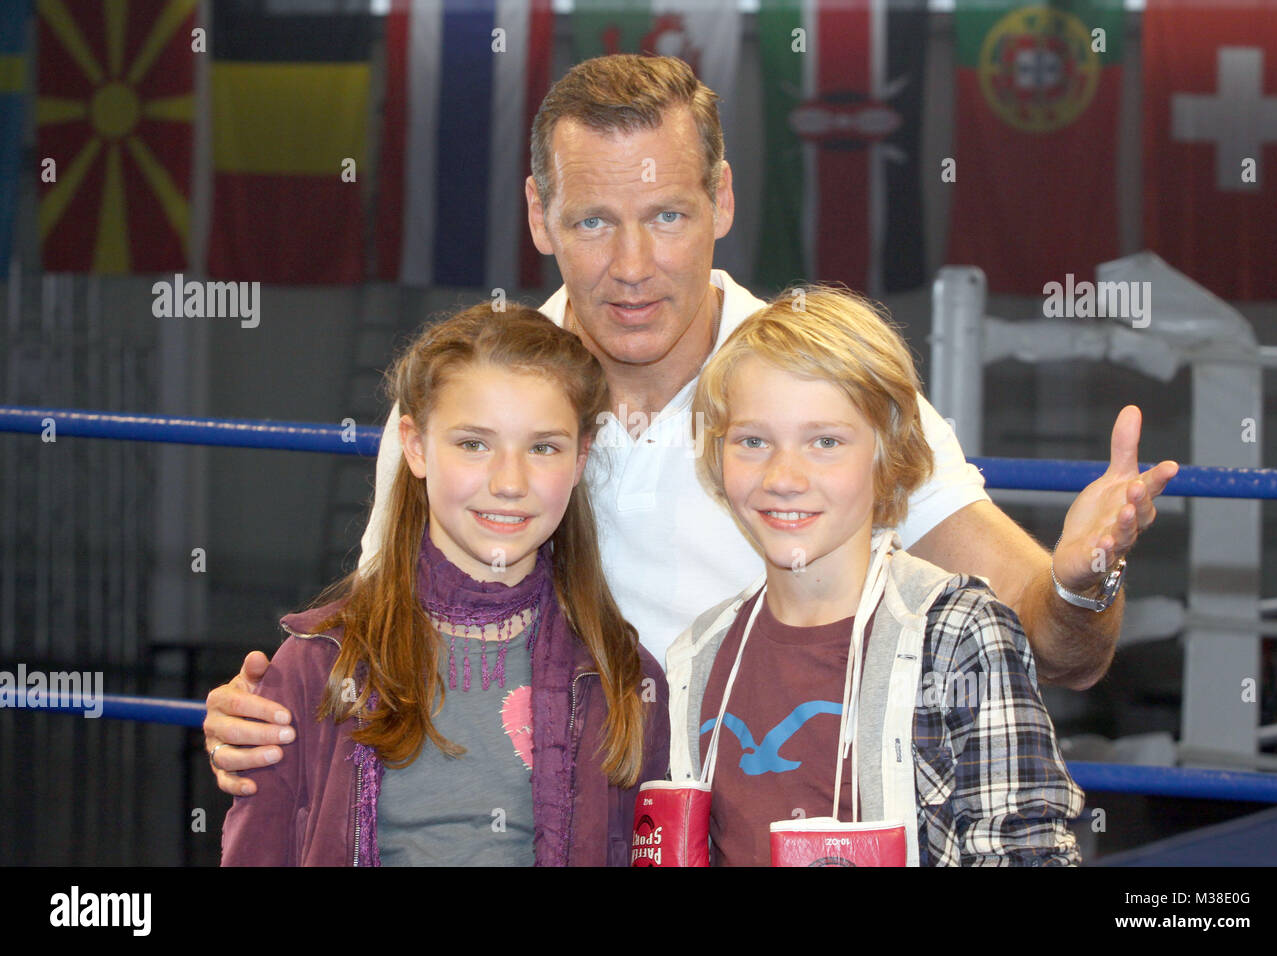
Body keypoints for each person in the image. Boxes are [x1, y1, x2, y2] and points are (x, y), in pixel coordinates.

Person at [205, 54, 1177, 797]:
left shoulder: (828, 389)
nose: (632, 264)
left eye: (666, 215)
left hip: (780, 827)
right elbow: (379, 645)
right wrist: (268, 709)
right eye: (594, 222)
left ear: (719, 198)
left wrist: (1082, 582)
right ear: (539, 216)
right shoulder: (471, 405)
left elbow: (1057, 647)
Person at [220, 303, 668, 865]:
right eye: (474, 444)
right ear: (414, 446)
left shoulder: (623, 679)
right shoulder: (317, 666)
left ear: (580, 459)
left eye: (543, 447)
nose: (509, 482)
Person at [668, 287, 1082, 865]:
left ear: (886, 453)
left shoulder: (959, 636)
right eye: (753, 441)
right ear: (716, 455)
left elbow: (1028, 853)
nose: (783, 476)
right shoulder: (699, 653)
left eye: (825, 442)